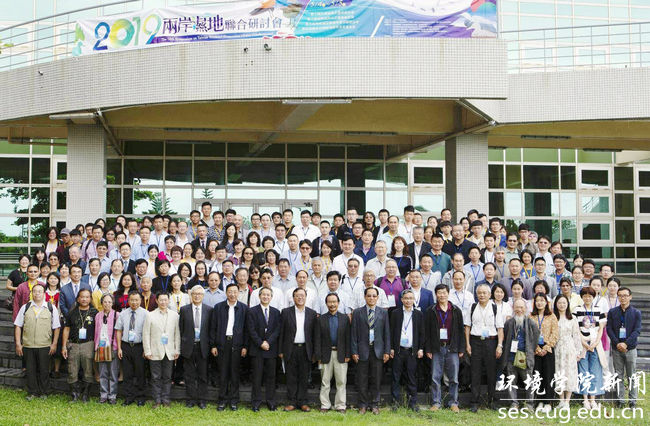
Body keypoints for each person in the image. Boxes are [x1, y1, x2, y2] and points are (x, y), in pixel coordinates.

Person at [13, 284, 60, 400]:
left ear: (44, 294)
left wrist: (54, 344)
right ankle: (32, 392)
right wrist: (18, 343)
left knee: (44, 370)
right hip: (28, 345)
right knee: (30, 370)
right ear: (31, 293)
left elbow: (56, 327)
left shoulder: (51, 307)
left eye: (40, 291)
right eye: (34, 291)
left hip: (45, 345)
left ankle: (45, 391)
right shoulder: (25, 307)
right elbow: (18, 326)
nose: (37, 293)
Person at [351, 287, 391, 415]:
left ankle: (375, 404)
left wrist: (386, 351)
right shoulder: (357, 312)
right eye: (369, 296)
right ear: (364, 297)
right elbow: (353, 334)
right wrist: (354, 351)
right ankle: (362, 405)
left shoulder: (383, 313)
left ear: (378, 298)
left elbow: (387, 333)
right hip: (362, 350)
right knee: (362, 379)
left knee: (376, 379)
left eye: (374, 296)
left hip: (377, 350)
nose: (371, 298)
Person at [465, 284, 504, 412]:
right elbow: (467, 327)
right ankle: (474, 402)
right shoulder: (472, 307)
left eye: (484, 293)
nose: (482, 295)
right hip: (475, 341)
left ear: (489, 295)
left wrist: (499, 345)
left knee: (491, 372)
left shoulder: (495, 308)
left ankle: (491, 400)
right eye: (479, 293)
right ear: (476, 294)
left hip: (491, 342)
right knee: (475, 372)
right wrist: (468, 344)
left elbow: (500, 328)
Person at [210, 284, 248, 411]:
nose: (232, 294)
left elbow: (246, 329)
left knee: (235, 373)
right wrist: (213, 345)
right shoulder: (218, 307)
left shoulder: (244, 308)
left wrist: (245, 346)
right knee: (223, 372)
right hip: (222, 343)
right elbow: (213, 327)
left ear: (238, 293)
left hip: (237, 344)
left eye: (235, 292)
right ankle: (222, 400)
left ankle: (234, 400)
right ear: (226, 293)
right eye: (230, 292)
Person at [426, 284, 464, 413]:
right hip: (437, 348)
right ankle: (436, 402)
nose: (442, 295)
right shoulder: (431, 310)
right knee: (435, 377)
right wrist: (428, 349)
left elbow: (460, 330)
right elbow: (427, 331)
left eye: (444, 292)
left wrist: (461, 348)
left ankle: (453, 402)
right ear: (436, 295)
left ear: (448, 293)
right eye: (439, 293)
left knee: (453, 378)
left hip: (452, 348)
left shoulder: (456, 310)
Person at [279, 287, 318, 412]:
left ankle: (303, 402)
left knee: (304, 376)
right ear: (293, 298)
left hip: (306, 349)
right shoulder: (286, 312)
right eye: (297, 296)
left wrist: (314, 352)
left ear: (306, 297)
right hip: (290, 348)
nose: (300, 298)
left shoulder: (312, 313)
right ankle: (291, 402)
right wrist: (280, 350)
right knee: (291, 376)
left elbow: (315, 335)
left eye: (302, 295)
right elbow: (281, 332)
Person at [497, 298, 539, 410]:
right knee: (511, 381)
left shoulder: (530, 323)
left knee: (529, 382)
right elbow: (505, 337)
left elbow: (535, 337)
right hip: (511, 357)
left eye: (521, 307)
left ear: (525, 309)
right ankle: (514, 403)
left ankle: (529, 404)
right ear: (513, 308)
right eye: (517, 307)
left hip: (525, 357)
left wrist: (530, 350)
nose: (519, 309)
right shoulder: (509, 323)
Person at [246, 287, 281, 412]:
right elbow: (251, 330)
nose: (266, 297)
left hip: (271, 349)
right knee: (257, 377)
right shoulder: (252, 311)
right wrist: (261, 343)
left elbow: (277, 330)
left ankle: (271, 402)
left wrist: (268, 342)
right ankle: (256, 402)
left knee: (271, 377)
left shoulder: (276, 312)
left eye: (268, 295)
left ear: (271, 297)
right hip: (257, 349)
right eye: (263, 295)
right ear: (259, 296)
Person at [315, 293, 351, 413]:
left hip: (341, 354)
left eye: (334, 302)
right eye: (330, 302)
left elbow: (348, 337)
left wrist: (348, 354)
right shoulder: (321, 319)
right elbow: (317, 339)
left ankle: (340, 405)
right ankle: (325, 405)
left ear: (338, 303)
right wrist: (318, 355)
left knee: (341, 381)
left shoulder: (345, 318)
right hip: (325, 354)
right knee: (325, 381)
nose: (332, 304)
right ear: (326, 304)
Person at [143, 292, 181, 408]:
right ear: (157, 301)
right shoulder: (150, 315)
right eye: (161, 300)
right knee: (155, 377)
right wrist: (147, 351)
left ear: (168, 301)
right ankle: (157, 400)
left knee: (167, 377)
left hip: (170, 351)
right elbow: (146, 334)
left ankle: (166, 399)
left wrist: (177, 350)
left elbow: (177, 334)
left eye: (165, 300)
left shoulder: (175, 315)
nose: (163, 302)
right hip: (154, 351)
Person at [606, 287, 642, 408]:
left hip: (630, 348)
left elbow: (637, 330)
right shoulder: (612, 312)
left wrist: (626, 343)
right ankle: (620, 400)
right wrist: (617, 343)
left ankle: (632, 400)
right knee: (618, 375)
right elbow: (609, 329)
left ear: (630, 297)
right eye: (620, 295)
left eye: (625, 295)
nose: (623, 298)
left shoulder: (636, 313)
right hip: (616, 348)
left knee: (632, 375)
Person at [389, 289, 424, 411]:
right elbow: (391, 331)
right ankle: (395, 402)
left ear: (414, 300)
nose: (408, 301)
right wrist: (391, 348)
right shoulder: (395, 313)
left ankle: (412, 402)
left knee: (411, 376)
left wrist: (420, 348)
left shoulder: (418, 314)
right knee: (396, 377)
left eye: (410, 298)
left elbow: (422, 333)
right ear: (402, 300)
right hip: (398, 350)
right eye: (406, 298)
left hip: (412, 351)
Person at [573, 286, 607, 410]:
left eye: (590, 296)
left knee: (595, 371)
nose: (587, 298)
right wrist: (583, 342)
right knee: (583, 371)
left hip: (595, 344)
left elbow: (601, 328)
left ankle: (593, 399)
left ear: (593, 297)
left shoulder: (598, 310)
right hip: (582, 344)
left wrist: (596, 342)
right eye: (585, 296)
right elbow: (575, 328)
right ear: (582, 297)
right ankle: (585, 399)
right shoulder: (577, 310)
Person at [61, 288, 97, 402]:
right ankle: (74, 394)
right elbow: (66, 329)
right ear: (78, 299)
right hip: (74, 344)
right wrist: (63, 346)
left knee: (88, 370)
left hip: (88, 344)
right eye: (82, 297)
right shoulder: (72, 312)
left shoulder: (95, 312)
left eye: (87, 297)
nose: (84, 299)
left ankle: (86, 394)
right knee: (72, 370)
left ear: (90, 299)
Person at [179, 286, 212, 409]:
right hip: (188, 346)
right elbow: (181, 329)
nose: (197, 296)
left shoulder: (209, 310)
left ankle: (202, 400)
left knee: (203, 375)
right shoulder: (184, 310)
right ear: (191, 295)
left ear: (203, 296)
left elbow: (211, 330)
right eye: (194, 294)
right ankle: (191, 399)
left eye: (199, 294)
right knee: (189, 375)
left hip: (203, 346)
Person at [115, 291, 147, 406]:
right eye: (132, 300)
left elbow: (148, 332)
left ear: (140, 301)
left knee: (140, 373)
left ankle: (141, 397)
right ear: (128, 301)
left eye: (136, 300)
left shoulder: (146, 314)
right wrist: (119, 348)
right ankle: (129, 397)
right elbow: (119, 331)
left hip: (139, 346)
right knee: (127, 373)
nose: (134, 302)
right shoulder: (123, 313)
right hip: (126, 346)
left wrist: (146, 349)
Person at [531, 292, 559, 412]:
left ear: (546, 302)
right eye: (537, 300)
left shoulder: (552, 316)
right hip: (535, 349)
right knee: (537, 375)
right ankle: (540, 401)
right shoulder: (531, 316)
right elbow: (529, 334)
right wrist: (537, 348)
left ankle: (548, 402)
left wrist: (547, 347)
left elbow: (555, 333)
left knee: (548, 375)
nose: (539, 303)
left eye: (542, 300)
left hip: (548, 349)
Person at [553, 294, 581, 409]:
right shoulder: (553, 317)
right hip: (557, 348)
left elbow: (576, 335)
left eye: (564, 303)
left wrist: (578, 351)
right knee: (559, 373)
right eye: (559, 303)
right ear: (556, 304)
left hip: (570, 348)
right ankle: (561, 400)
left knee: (569, 373)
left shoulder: (572, 318)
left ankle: (567, 401)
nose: (562, 305)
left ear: (567, 304)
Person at [94, 293, 119, 404]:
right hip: (101, 346)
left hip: (112, 346)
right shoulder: (98, 315)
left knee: (113, 373)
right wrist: (96, 346)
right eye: (105, 302)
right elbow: (96, 332)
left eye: (109, 302)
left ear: (112, 303)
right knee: (103, 372)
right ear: (101, 303)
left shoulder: (117, 315)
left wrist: (118, 347)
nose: (107, 304)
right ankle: (103, 395)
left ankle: (112, 395)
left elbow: (119, 332)